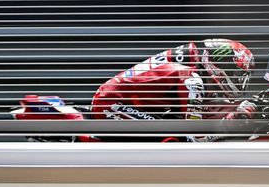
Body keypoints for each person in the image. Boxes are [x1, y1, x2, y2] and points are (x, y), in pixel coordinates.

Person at [90, 38, 257, 129]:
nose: (239, 82)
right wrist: (232, 120)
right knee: (173, 139)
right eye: (237, 75)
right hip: (112, 103)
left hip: (124, 100)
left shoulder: (194, 69)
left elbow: (206, 110)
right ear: (220, 64)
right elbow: (195, 137)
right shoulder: (192, 78)